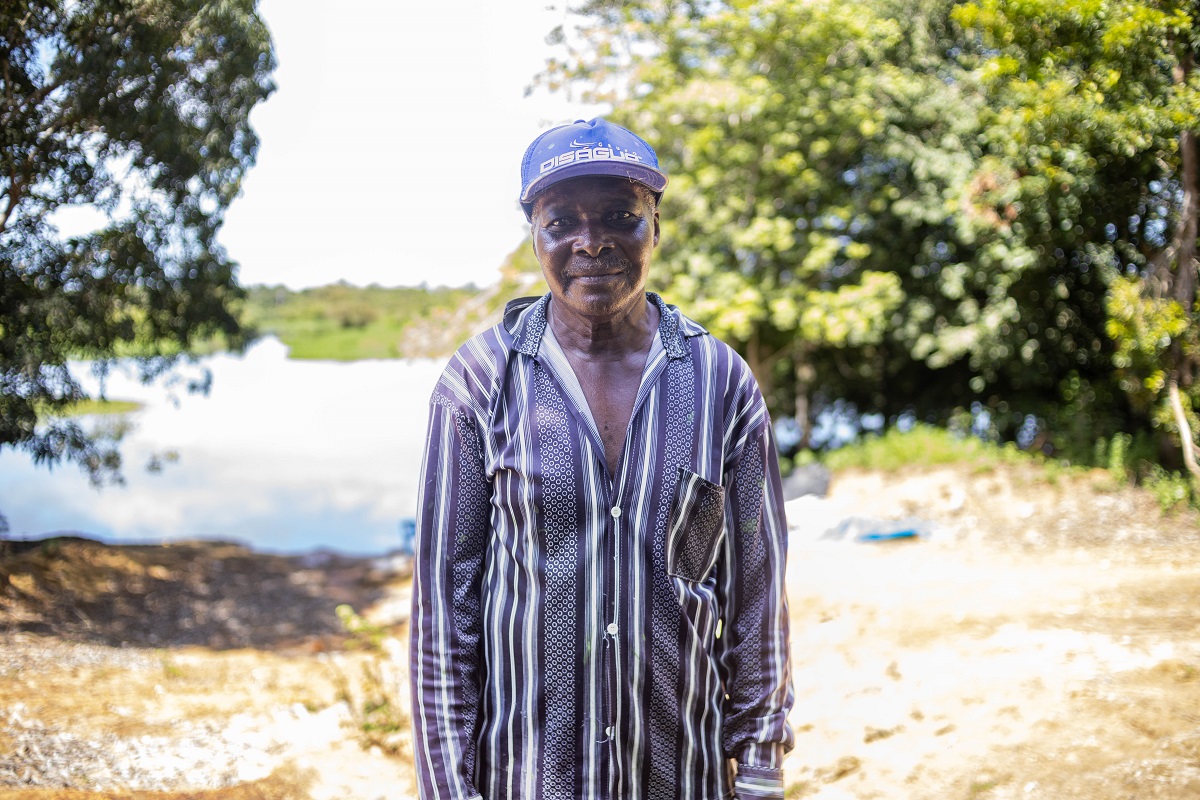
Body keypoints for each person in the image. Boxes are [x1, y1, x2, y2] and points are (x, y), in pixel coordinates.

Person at [410, 117, 794, 800]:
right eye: (562, 222)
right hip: (528, 782)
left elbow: (755, 602)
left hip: (682, 778)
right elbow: (445, 620)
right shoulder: (476, 385)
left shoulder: (720, 383)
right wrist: (448, 788)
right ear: (535, 235)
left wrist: (760, 769)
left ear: (655, 225)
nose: (592, 243)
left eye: (619, 216)